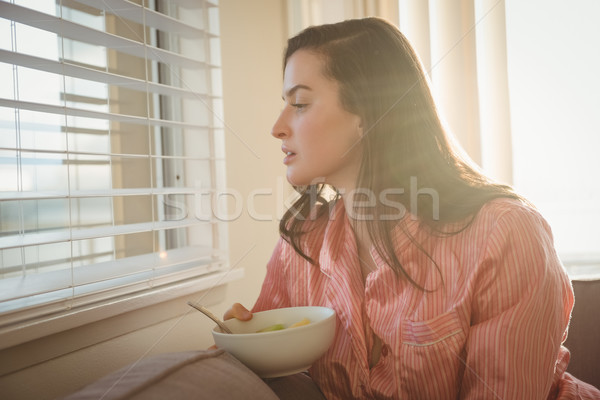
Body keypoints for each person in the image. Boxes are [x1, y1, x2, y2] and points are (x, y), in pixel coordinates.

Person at [224, 17, 600, 399]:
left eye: (300, 103)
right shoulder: (300, 244)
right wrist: (243, 345)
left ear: (369, 113)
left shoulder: (505, 233)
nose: (277, 127)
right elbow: (271, 369)